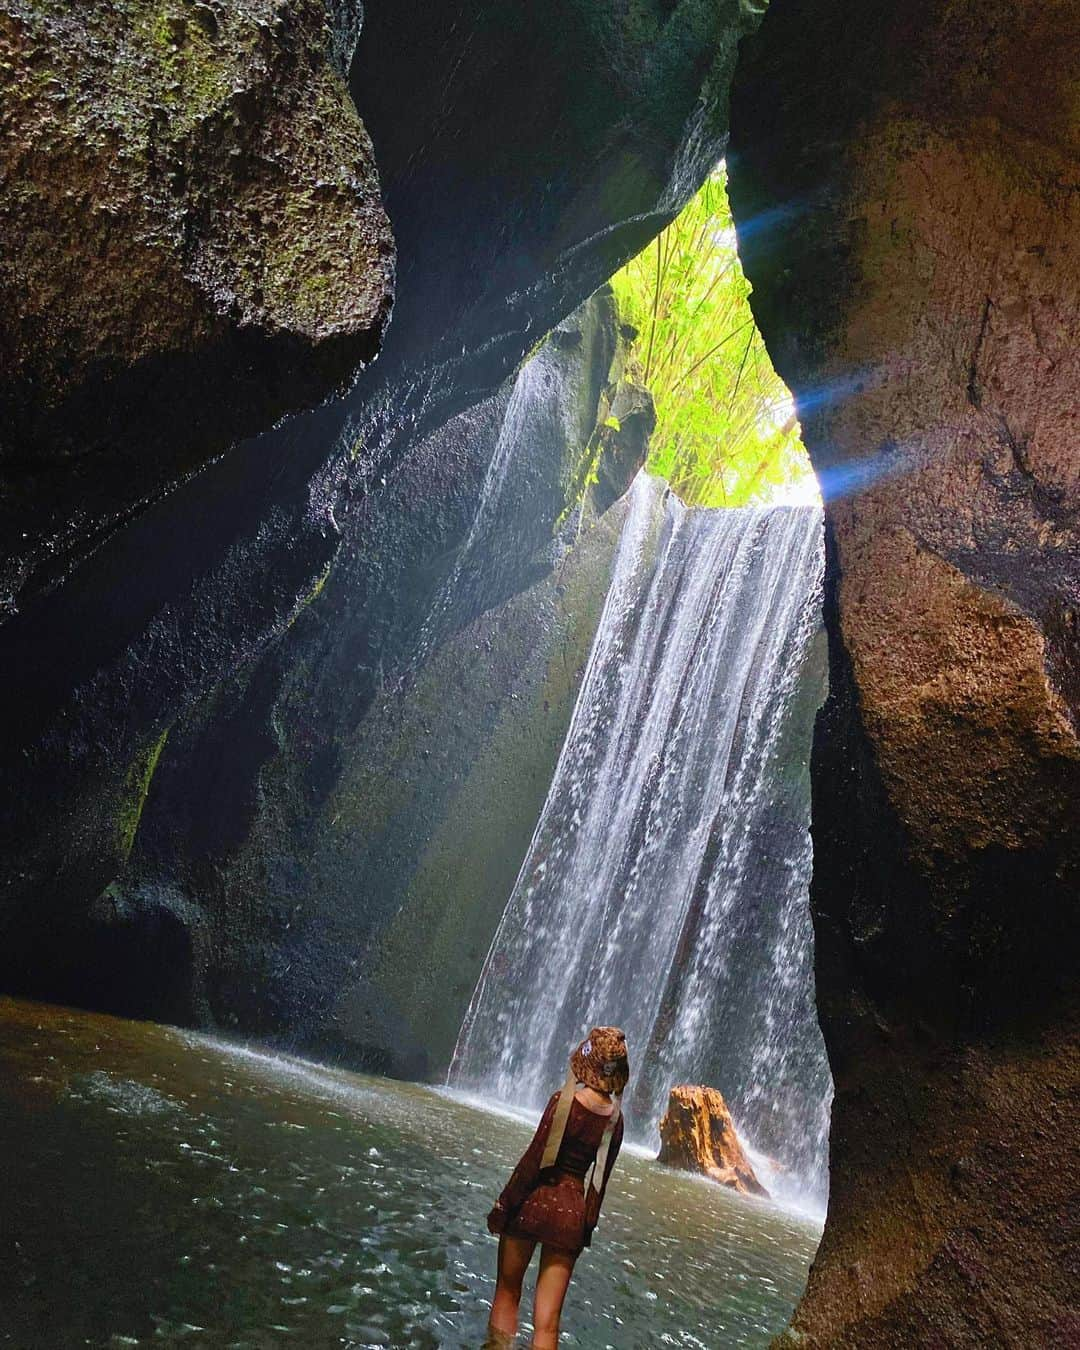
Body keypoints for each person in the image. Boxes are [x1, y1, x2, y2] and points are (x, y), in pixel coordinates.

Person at [484, 1027, 629, 1349]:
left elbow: (534, 1159)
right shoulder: (614, 1121)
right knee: (548, 1324)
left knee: (508, 1291)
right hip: (571, 1214)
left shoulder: (563, 1102)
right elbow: (598, 1183)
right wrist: (585, 1228)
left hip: (534, 1202)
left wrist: (504, 1205)